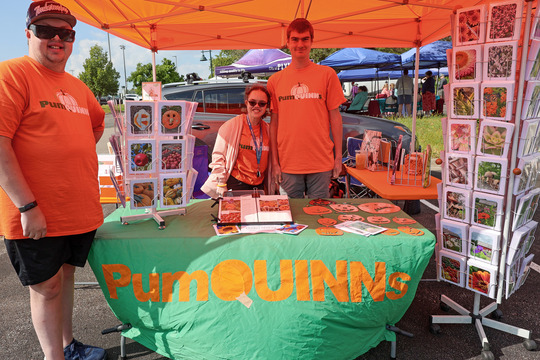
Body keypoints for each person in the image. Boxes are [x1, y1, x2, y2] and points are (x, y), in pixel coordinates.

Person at [0, 2, 107, 360]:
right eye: (47, 31)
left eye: (66, 33)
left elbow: (96, 123)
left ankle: (68, 345)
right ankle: (54, 357)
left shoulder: (77, 85)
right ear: (29, 34)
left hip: (76, 210)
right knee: (46, 287)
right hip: (35, 214)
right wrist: (27, 205)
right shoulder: (12, 74)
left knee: (65, 278)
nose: (57, 38)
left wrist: (70, 151)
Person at [268, 18, 346, 198]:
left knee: (320, 219)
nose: (300, 44)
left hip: (320, 163)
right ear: (287, 43)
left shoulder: (327, 74)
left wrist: (338, 159)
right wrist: (275, 163)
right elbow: (274, 124)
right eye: (295, 39)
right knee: (289, 220)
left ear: (312, 41)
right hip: (288, 164)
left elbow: (335, 118)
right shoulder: (275, 81)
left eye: (305, 39)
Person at [201, 85, 272, 197]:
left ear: (267, 106)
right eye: (252, 102)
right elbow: (218, 156)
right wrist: (221, 183)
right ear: (246, 103)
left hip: (259, 185)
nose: (257, 106)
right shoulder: (232, 125)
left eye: (262, 103)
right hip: (237, 183)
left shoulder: (267, 129)